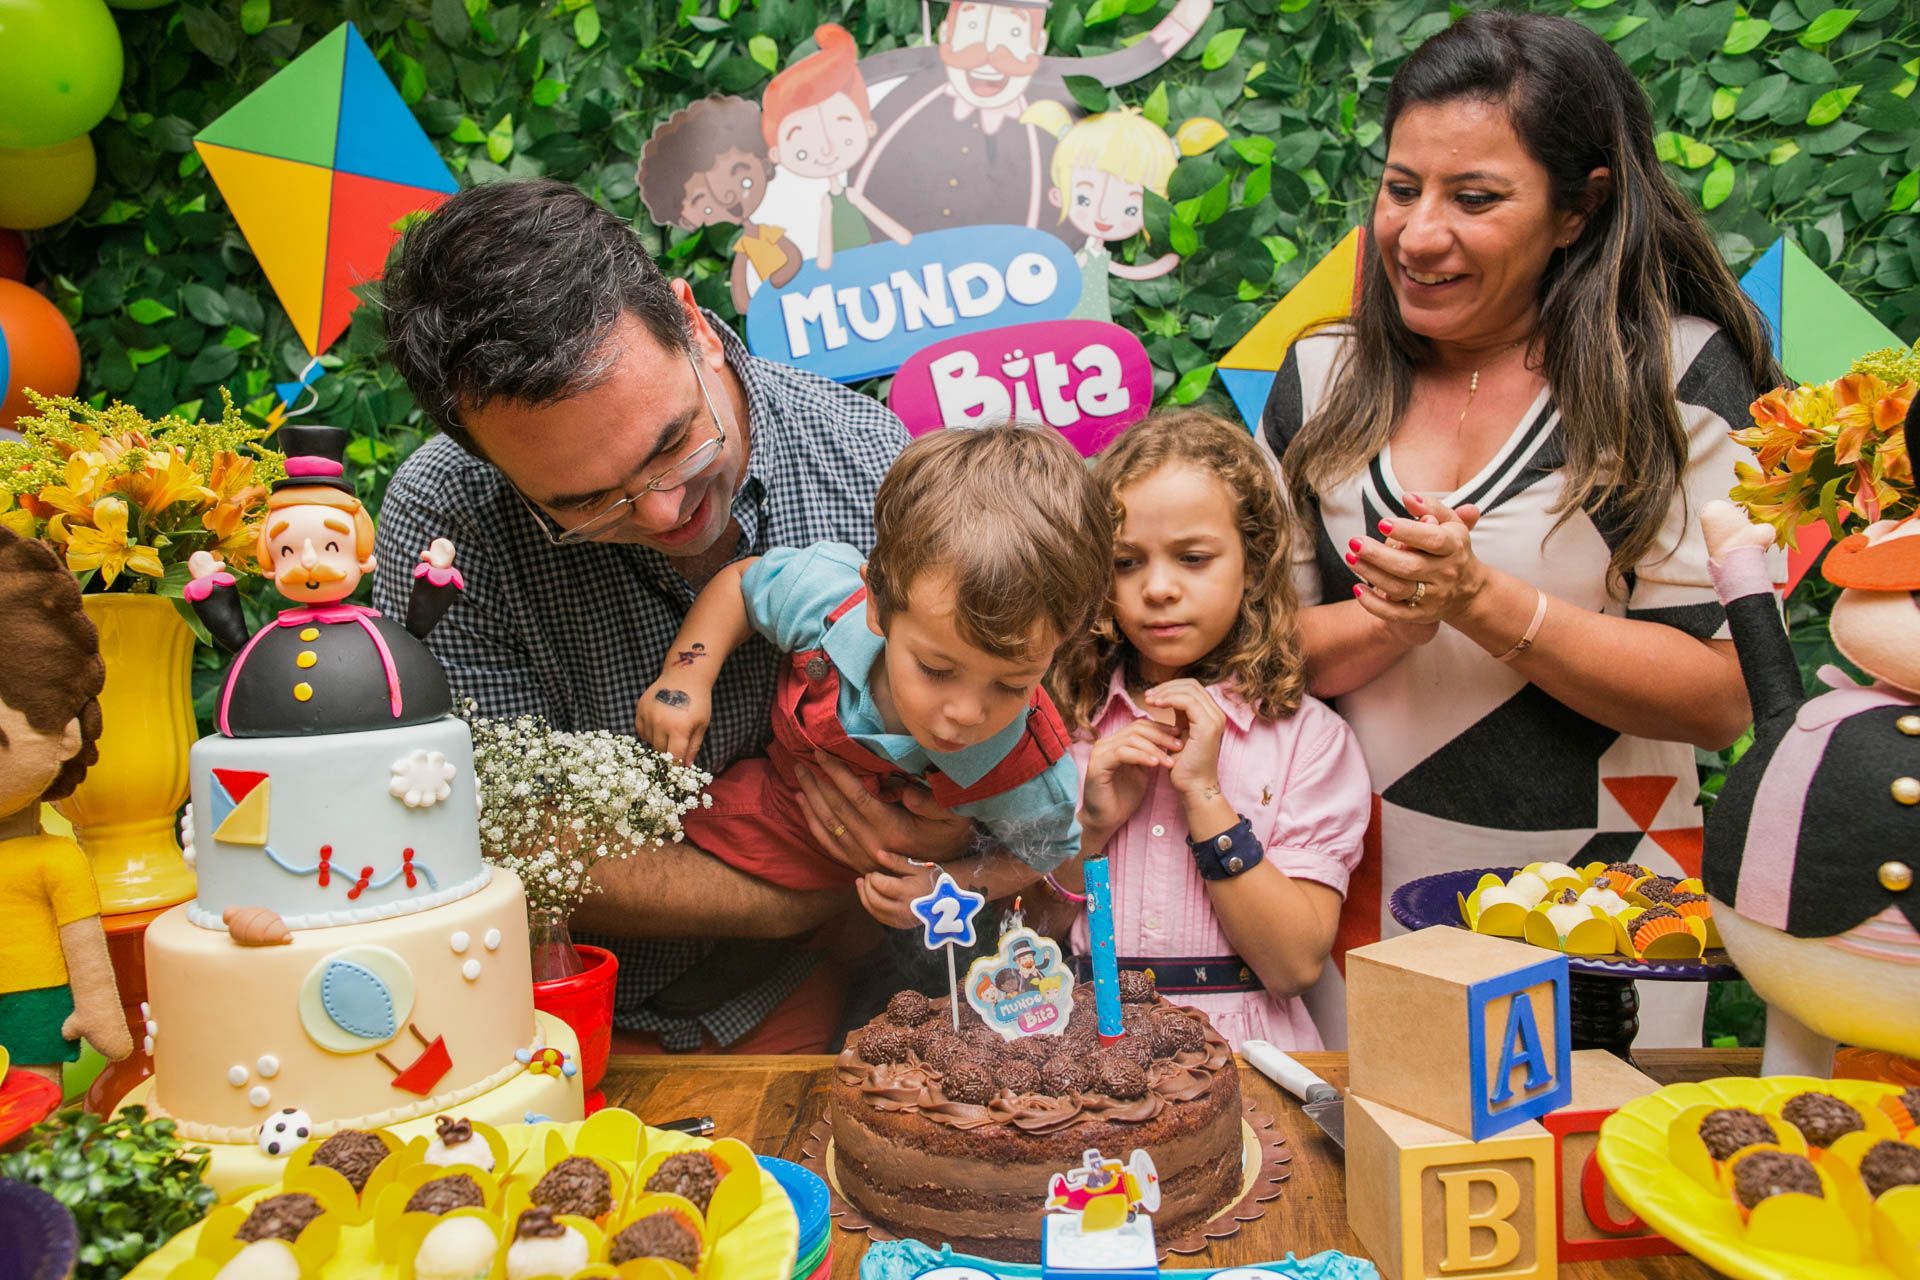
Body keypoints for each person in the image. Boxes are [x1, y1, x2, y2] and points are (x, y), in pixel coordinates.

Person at [1260, 12, 1781, 1044]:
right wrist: (1394, 621)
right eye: (1402, 187)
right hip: (1350, 889)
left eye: (1476, 198)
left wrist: (1483, 602)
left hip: (1603, 914)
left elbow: (1723, 697)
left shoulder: (1678, 379)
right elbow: (1262, 659)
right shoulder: (1322, 377)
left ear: (1579, 208)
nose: (1417, 233)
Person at [375, 179, 965, 1054]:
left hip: (839, 1002)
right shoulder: (446, 521)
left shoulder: (871, 465)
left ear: (690, 321)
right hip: (557, 1022)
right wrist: (822, 890)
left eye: (673, 445)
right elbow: (487, 832)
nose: (660, 514)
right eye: (583, 504)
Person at [637, 424, 1109, 924]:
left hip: (865, 890)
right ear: (878, 605)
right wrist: (685, 676)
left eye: (1013, 684)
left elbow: (1044, 854)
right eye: (935, 669)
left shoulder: (1028, 769)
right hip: (764, 805)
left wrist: (945, 886)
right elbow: (742, 584)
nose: (966, 714)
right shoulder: (825, 601)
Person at [1040, 411, 1370, 1050]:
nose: (1158, 588)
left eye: (1193, 558)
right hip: (1085, 1050)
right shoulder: (1070, 726)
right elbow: (1033, 933)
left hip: (1248, 1060)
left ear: (1251, 564)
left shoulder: (1310, 741)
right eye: (1127, 562)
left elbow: (1295, 965)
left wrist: (1206, 798)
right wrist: (1093, 828)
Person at [850, 0, 1210, 244]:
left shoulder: (1051, 113)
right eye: (973, 28)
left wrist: (1187, 18)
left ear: (1038, 43)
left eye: (1012, 35)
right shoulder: (903, 95)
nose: (990, 55)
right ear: (945, 35)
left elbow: (1127, 62)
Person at [0, 528, 132, 1081]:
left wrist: (99, 1009)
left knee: (34, 1106)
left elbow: (81, 942)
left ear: (66, 738)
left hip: (29, 1007)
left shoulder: (54, 860)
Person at [760, 24, 912, 270]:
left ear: (868, 127)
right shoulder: (825, 202)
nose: (827, 150)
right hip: (845, 270)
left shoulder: (866, 186)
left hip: (874, 256)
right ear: (777, 153)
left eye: (843, 127)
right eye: (802, 148)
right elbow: (824, 257)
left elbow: (900, 235)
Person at [636, 95, 804, 314]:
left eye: (738, 173)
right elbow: (742, 293)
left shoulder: (773, 225)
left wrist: (777, 281)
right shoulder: (741, 246)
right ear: (684, 218)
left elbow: (793, 258)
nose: (727, 197)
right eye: (702, 201)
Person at [1020, 102, 1182, 322]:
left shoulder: (1090, 254)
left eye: (1130, 208)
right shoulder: (1067, 250)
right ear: (1057, 194)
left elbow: (1118, 270)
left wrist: (1157, 267)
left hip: (1091, 322)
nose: (1103, 215)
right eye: (1084, 199)